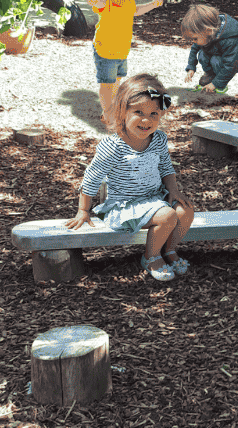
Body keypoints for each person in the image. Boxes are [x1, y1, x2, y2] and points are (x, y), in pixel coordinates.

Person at [65, 74, 196, 281]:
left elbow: (165, 167)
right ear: (122, 112)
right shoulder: (113, 146)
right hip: (125, 206)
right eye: (138, 112)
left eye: (154, 113)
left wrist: (173, 191)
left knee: (185, 211)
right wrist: (83, 210)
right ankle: (150, 257)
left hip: (155, 199)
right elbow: (92, 177)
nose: (147, 120)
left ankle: (168, 250)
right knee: (167, 216)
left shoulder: (159, 138)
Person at [86, 0, 163, 118]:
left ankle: (114, 107)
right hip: (105, 50)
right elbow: (98, 4)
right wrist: (93, 0)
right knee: (107, 83)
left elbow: (136, 11)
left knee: (117, 81)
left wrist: (152, 4)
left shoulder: (128, 1)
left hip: (121, 50)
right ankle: (107, 113)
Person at [180, 3, 238, 95]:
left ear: (208, 31)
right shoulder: (206, 35)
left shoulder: (230, 39)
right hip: (218, 51)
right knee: (202, 55)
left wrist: (215, 84)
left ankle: (220, 84)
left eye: (195, 38)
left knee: (215, 61)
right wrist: (191, 68)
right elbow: (194, 50)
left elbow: (231, 64)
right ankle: (211, 75)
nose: (193, 41)